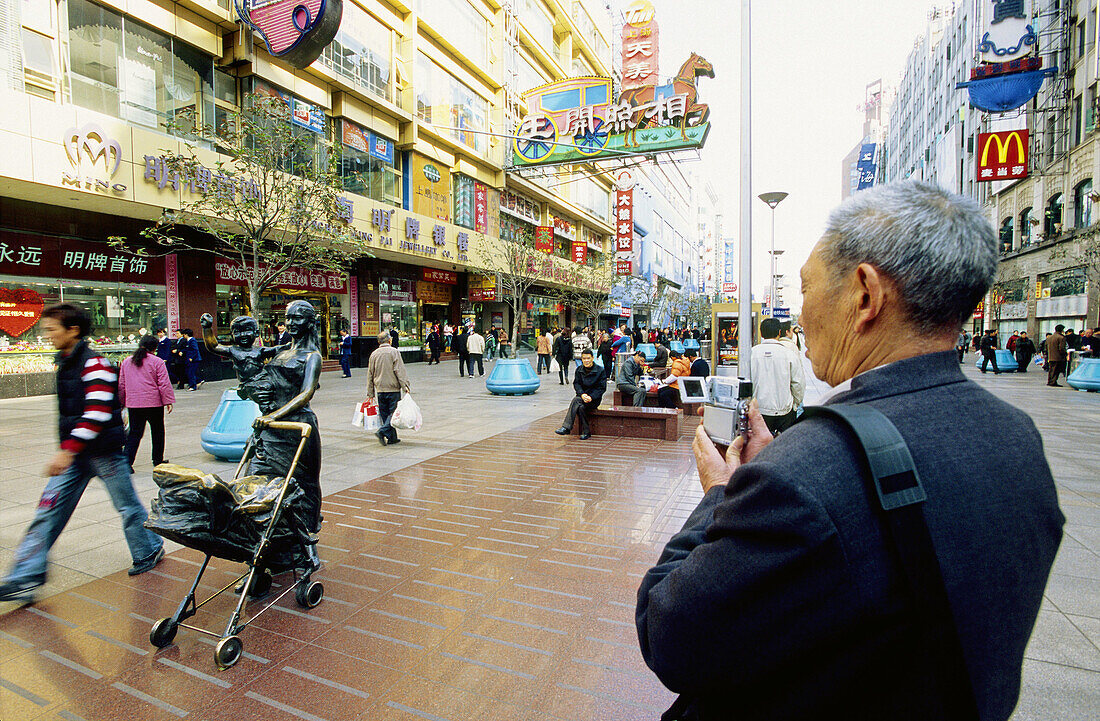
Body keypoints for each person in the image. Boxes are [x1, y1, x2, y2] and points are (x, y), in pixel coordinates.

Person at [636, 181, 1063, 721]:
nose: (800, 314)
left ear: (865, 294)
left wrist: (720, 496)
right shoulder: (1017, 435)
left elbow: (669, 635)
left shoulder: (809, 472)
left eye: (807, 289)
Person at [0, 304, 164, 603]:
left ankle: (149, 549)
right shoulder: (66, 361)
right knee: (47, 511)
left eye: (51, 329)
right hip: (76, 456)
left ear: (72, 330)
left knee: (127, 507)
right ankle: (26, 575)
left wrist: (67, 451)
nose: (46, 335)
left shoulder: (94, 363)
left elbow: (98, 412)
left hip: (104, 454)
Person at [119, 334, 175, 469]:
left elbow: (122, 384)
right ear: (154, 348)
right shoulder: (157, 361)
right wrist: (168, 401)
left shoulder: (127, 361)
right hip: (153, 403)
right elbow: (164, 383)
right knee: (157, 431)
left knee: (135, 433)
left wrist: (122, 401)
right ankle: (157, 460)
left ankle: (127, 463)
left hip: (134, 403)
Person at [749, 317, 806, 435]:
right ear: (779, 332)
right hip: (785, 411)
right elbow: (798, 383)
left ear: (761, 333)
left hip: (758, 410)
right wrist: (795, 404)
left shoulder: (751, 354)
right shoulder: (789, 354)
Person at [366, 330, 411, 446]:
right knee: (394, 413)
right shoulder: (394, 352)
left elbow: (370, 374)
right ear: (389, 340)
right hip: (393, 388)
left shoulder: (374, 354)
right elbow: (399, 371)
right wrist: (405, 386)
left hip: (380, 389)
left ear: (378, 342)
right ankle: (382, 431)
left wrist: (370, 392)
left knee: (385, 414)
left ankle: (392, 438)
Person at [554, 349, 605, 440]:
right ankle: (586, 432)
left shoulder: (600, 370)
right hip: (582, 397)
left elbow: (601, 388)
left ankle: (566, 427)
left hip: (594, 399)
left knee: (576, 400)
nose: (586, 360)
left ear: (592, 358)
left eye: (588, 358)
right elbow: (576, 384)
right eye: (584, 358)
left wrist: (591, 397)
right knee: (581, 407)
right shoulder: (579, 370)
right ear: (581, 359)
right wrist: (582, 394)